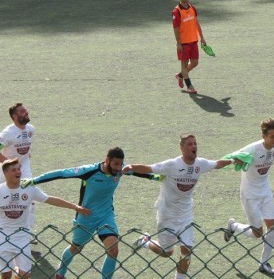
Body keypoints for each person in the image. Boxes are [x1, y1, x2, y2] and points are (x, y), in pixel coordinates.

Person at [22, 147, 161, 279]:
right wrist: (33, 181)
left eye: (121, 164)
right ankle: (60, 273)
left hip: (106, 216)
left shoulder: (121, 170)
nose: (119, 168)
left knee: (113, 250)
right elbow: (61, 173)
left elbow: (140, 173)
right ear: (107, 160)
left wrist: (156, 177)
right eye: (116, 164)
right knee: (76, 248)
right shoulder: (89, 171)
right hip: (85, 216)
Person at [125, 134, 234, 279]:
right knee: (166, 252)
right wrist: (131, 167)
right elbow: (149, 168)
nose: (194, 147)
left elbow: (217, 164)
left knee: (187, 251)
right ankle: (145, 241)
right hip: (167, 215)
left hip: (185, 215)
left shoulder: (200, 164)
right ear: (181, 148)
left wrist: (233, 160)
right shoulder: (171, 165)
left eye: (195, 144)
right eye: (189, 144)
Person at [224, 119, 274, 276]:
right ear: (264, 136)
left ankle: (263, 263)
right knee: (257, 233)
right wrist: (234, 160)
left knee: (272, 227)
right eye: (272, 137)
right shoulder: (252, 149)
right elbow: (233, 157)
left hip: (265, 192)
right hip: (249, 195)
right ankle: (233, 226)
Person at [0, 158, 90, 279]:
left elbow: (49, 199)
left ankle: (17, 273)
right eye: (13, 170)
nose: (18, 172)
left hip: (22, 235)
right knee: (5, 274)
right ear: (5, 173)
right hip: (2, 236)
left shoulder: (28, 188)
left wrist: (74, 207)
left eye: (19, 169)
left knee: (25, 275)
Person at [0, 103, 37, 228]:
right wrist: (9, 163)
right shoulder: (7, 133)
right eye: (22, 111)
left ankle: (26, 231)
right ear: (15, 117)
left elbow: (23, 145)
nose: (26, 112)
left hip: (24, 168)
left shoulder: (30, 129)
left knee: (30, 198)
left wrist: (25, 154)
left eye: (26, 110)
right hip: (4, 171)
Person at [172, 0, 207, 94]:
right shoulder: (176, 12)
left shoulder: (192, 8)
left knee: (195, 62)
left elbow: (196, 23)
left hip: (193, 41)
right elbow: (175, 29)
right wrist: (178, 43)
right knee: (184, 64)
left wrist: (202, 37)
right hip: (183, 43)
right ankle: (189, 86)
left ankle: (180, 75)